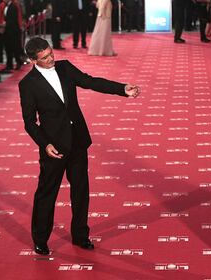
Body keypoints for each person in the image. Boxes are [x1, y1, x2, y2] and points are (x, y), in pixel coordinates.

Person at [18, 37, 140, 255]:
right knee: (47, 194)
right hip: (53, 148)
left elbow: (90, 81)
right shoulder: (27, 84)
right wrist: (45, 144)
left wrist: (122, 89)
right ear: (33, 60)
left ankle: (80, 236)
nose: (51, 59)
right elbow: (29, 121)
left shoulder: (64, 68)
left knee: (81, 192)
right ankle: (40, 239)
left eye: (51, 54)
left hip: (77, 141)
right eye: (45, 58)